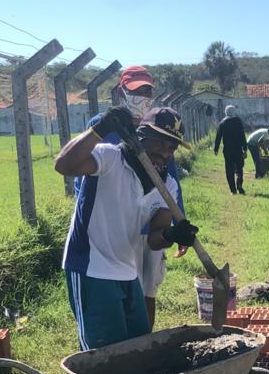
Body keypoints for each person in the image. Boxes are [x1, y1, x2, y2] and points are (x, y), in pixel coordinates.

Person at [56, 106, 198, 352]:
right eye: (160, 144)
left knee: (138, 346)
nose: (165, 154)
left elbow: (154, 239)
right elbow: (64, 165)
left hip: (128, 271)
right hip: (92, 267)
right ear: (141, 137)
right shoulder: (110, 158)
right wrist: (98, 130)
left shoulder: (167, 185)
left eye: (171, 148)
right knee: (103, 356)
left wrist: (171, 235)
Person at [78, 65, 186, 329]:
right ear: (121, 92)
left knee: (147, 289)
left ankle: (144, 341)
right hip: (116, 226)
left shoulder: (159, 125)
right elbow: (85, 171)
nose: (142, 96)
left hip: (152, 221)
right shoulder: (104, 125)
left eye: (147, 91)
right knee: (123, 288)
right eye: (135, 90)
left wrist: (179, 221)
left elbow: (169, 176)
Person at [214, 103, 247, 194]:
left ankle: (233, 190)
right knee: (239, 168)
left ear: (226, 112)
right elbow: (242, 135)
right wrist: (245, 148)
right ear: (234, 112)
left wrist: (216, 148)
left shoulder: (222, 123)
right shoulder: (238, 121)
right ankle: (239, 185)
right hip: (238, 149)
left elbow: (218, 137)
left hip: (228, 150)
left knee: (229, 170)